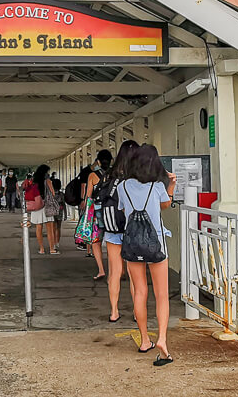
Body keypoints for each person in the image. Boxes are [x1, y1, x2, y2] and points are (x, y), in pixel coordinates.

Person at [118, 143, 176, 366]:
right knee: (161, 295)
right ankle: (161, 340)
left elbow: (124, 210)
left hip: (132, 244)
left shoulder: (123, 186)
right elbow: (165, 205)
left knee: (139, 292)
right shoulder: (157, 186)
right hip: (157, 244)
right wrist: (170, 186)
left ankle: (144, 340)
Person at [103, 140, 139, 323]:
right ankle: (136, 312)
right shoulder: (138, 178)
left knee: (115, 272)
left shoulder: (110, 176)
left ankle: (114, 312)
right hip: (132, 228)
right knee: (134, 273)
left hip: (112, 227)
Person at [82, 150, 112, 280]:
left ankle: (101, 270)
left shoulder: (92, 176)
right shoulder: (115, 175)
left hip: (98, 212)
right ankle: (117, 270)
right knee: (114, 242)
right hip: (113, 212)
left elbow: (89, 196)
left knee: (96, 242)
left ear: (98, 162)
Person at [33, 164, 60, 254]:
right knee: (50, 228)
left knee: (38, 227)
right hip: (46, 206)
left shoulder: (34, 181)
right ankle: (52, 249)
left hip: (36, 205)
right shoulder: (48, 180)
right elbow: (52, 193)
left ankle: (41, 249)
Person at [50, 172, 65, 239]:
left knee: (53, 227)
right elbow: (64, 204)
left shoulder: (50, 194)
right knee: (58, 228)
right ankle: (57, 242)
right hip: (60, 212)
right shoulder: (61, 194)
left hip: (52, 212)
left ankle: (53, 243)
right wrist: (66, 214)